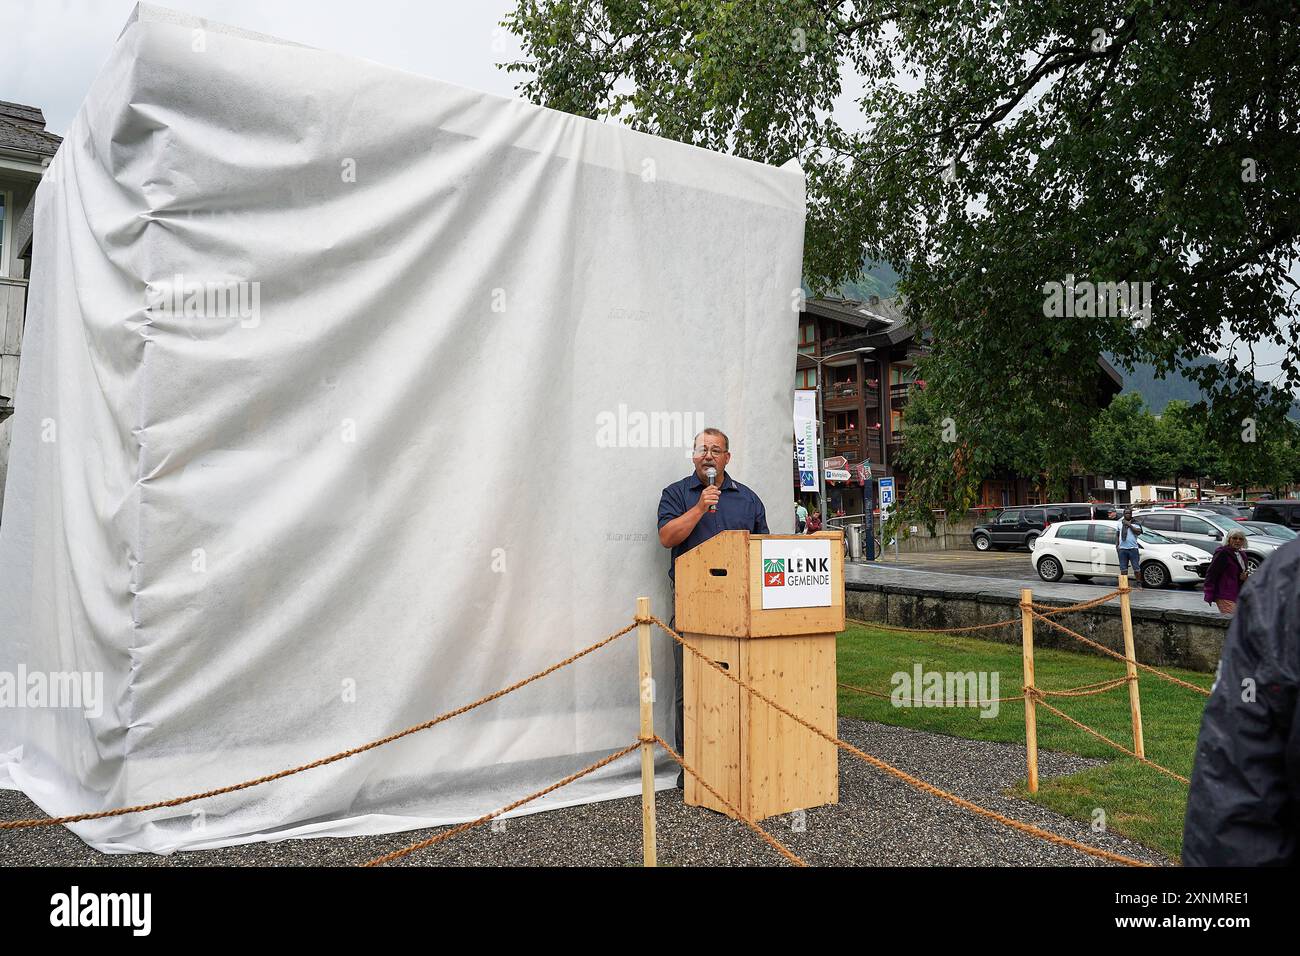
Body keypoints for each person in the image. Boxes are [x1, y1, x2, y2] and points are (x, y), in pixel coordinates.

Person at [657, 428, 769, 787]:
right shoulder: (675, 494)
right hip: (692, 605)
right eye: (702, 449)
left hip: (740, 608)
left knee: (739, 683)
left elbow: (762, 553)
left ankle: (734, 762)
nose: (708, 455)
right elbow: (667, 538)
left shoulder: (748, 499)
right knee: (689, 687)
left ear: (727, 458)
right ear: (693, 457)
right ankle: (690, 768)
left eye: (716, 450)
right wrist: (700, 507)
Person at [1183, 537, 1299, 865]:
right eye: (1238, 541)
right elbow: (1214, 576)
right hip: (1226, 596)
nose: (1240, 544)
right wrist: (1211, 596)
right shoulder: (1231, 559)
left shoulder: (1268, 569)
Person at [1202, 529, 1249, 615]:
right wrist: (1209, 593)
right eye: (1234, 538)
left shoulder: (1242, 555)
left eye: (1240, 539)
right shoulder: (1222, 553)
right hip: (1224, 594)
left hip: (1238, 594)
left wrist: (1244, 577)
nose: (1237, 541)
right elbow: (1212, 573)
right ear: (1229, 539)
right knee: (1234, 620)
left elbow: (1240, 574)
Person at [1116, 508, 1145, 587]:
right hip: (1122, 549)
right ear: (1124, 514)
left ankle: (1139, 584)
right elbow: (1117, 535)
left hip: (1133, 549)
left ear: (1131, 514)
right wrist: (1117, 546)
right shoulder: (1119, 523)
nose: (1127, 515)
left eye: (1129, 513)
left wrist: (1129, 525)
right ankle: (1124, 585)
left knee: (1136, 568)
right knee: (1123, 569)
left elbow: (1138, 532)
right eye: (1126, 513)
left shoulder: (1135, 523)